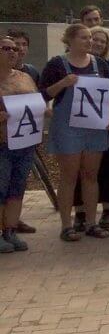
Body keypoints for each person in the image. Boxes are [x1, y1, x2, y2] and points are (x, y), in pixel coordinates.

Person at [41, 24, 109, 241]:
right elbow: (43, 94)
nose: (90, 41)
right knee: (69, 176)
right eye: (84, 38)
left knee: (90, 175)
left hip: (94, 126)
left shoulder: (100, 64)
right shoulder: (57, 64)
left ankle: (91, 222)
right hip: (67, 126)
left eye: (90, 37)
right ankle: (67, 225)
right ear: (70, 40)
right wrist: (62, 84)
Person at [73, 27, 109, 230]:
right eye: (95, 39)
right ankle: (81, 212)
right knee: (80, 170)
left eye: (104, 41)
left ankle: (108, 209)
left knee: (108, 167)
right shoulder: (73, 65)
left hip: (107, 125)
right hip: (79, 126)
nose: (99, 44)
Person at [0, 36, 44, 252]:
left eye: (15, 49)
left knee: (17, 188)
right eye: (5, 48)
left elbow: (35, 102)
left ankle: (10, 230)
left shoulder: (26, 76)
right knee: (0, 188)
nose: (12, 52)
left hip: (24, 142)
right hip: (2, 144)